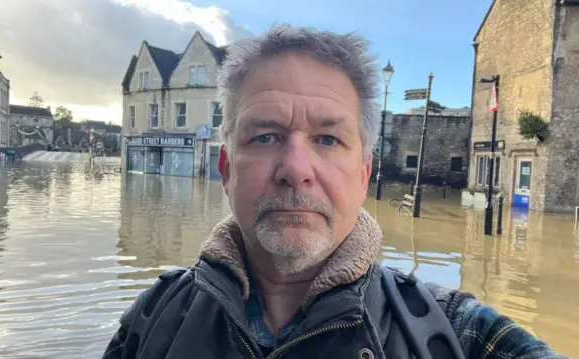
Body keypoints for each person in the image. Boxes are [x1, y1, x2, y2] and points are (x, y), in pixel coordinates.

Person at [102, 25, 567, 359]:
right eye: (265, 136)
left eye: (328, 139)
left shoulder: (458, 333)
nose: (296, 170)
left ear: (364, 175)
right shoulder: (151, 320)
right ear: (226, 169)